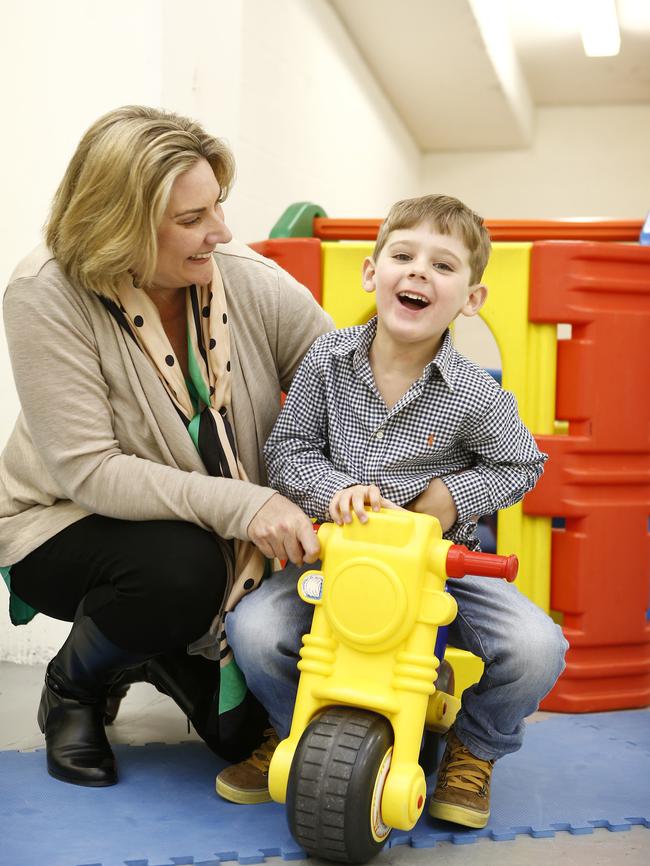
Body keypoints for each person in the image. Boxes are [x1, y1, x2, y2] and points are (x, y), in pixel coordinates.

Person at [0, 105, 330, 788]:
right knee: (176, 571)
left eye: (218, 206)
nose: (222, 231)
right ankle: (74, 687)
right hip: (63, 522)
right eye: (191, 220)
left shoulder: (243, 274)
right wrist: (248, 504)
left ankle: (148, 648)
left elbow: (344, 379)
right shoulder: (45, 295)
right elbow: (89, 471)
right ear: (118, 225)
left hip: (212, 531)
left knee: (242, 736)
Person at [217, 194, 568, 829]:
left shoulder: (475, 393)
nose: (418, 273)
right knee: (256, 630)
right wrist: (332, 491)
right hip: (340, 561)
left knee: (537, 646)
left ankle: (474, 750)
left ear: (471, 299)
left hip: (437, 569)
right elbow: (287, 449)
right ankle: (291, 728)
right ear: (372, 273)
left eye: (443, 265)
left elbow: (521, 466)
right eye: (403, 256)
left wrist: (447, 500)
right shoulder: (327, 362)